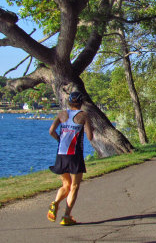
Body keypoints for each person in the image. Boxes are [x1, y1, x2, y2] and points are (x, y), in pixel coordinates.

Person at [47, 91, 93, 226]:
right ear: (81, 102)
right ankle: (66, 216)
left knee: (65, 185)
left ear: (69, 102)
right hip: (75, 154)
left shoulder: (61, 114)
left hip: (61, 154)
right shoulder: (83, 115)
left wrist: (59, 139)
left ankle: (55, 203)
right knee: (74, 186)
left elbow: (51, 131)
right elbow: (90, 137)